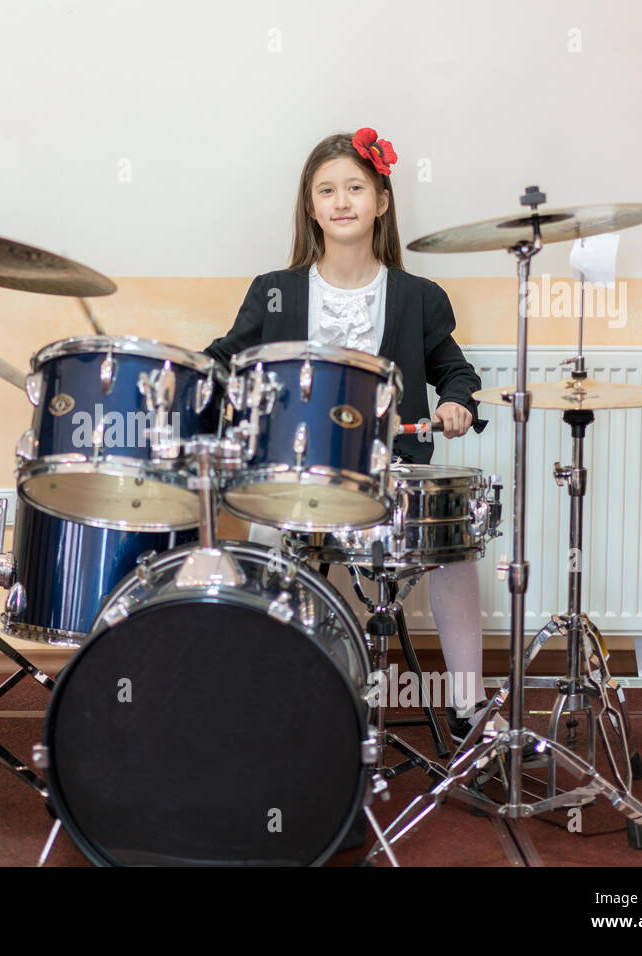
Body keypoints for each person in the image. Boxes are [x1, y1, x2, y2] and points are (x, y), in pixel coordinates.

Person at [203, 129, 499, 740]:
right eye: (327, 190)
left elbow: (455, 370)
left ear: (381, 201)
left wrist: (455, 403)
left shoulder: (418, 296)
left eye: (355, 188)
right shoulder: (276, 291)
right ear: (310, 206)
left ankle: (468, 703)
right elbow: (227, 358)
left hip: (392, 472)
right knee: (266, 531)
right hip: (300, 471)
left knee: (452, 538)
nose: (342, 201)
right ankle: (276, 696)